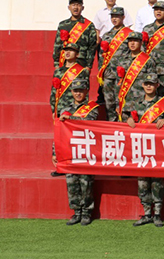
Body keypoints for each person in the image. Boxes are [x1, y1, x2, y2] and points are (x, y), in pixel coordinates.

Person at [125, 73, 164, 228]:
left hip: (157, 147)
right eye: (146, 84)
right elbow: (124, 117)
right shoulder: (136, 103)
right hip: (140, 147)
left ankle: (157, 214)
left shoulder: (163, 103)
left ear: (157, 85)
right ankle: (146, 213)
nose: (149, 86)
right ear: (142, 85)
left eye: (152, 84)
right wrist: (128, 119)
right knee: (142, 182)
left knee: (157, 181)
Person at [53, 78, 99, 226]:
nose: (78, 94)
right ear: (71, 92)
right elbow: (59, 132)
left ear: (86, 91)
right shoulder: (64, 109)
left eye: (81, 91)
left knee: (86, 183)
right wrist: (55, 152)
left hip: (86, 150)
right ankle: (76, 212)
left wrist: (70, 118)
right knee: (71, 182)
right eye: (75, 91)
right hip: (70, 151)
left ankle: (86, 212)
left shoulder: (92, 108)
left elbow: (88, 122)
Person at [99, 7, 132, 121]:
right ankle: (112, 122)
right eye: (113, 17)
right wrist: (101, 72)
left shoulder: (129, 34)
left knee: (121, 100)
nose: (114, 19)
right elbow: (101, 55)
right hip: (108, 73)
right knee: (109, 101)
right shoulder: (106, 35)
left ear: (123, 17)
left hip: (122, 73)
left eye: (117, 16)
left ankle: (122, 122)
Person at [116, 32, 158, 117]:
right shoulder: (122, 60)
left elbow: (152, 83)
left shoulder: (148, 60)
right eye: (130, 41)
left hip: (141, 104)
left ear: (141, 42)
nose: (132, 43)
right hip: (125, 102)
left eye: (135, 41)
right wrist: (117, 103)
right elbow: (118, 83)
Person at [54, 0, 97, 70]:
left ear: (82, 8)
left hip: (81, 64)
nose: (76, 8)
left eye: (78, 5)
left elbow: (92, 47)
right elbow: (57, 45)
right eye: (73, 5)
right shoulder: (63, 25)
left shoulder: (89, 25)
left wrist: (89, 66)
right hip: (64, 63)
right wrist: (56, 64)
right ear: (69, 7)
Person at [50, 43, 88, 118]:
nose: (68, 52)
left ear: (77, 54)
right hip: (60, 107)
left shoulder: (82, 71)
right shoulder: (58, 72)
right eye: (66, 50)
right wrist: (54, 109)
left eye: (71, 50)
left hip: (75, 108)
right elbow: (54, 92)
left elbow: (85, 92)